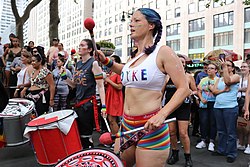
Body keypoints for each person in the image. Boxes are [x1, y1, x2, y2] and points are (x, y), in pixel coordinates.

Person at [95, 8, 190, 167]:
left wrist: (162, 114)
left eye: (137, 21)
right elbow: (125, 71)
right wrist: (106, 61)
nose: (131, 24)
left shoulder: (163, 52)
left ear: (151, 25)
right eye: (131, 21)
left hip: (151, 128)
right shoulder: (133, 57)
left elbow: (184, 88)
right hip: (126, 125)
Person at [62, 39, 106, 149]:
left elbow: (100, 86)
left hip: (88, 105)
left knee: (86, 137)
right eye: (79, 45)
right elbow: (74, 85)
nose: (79, 47)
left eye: (82, 45)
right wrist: (64, 77)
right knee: (79, 136)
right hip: (78, 104)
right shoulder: (78, 64)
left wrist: (104, 106)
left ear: (90, 49)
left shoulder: (94, 63)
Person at [164, 55, 197, 167]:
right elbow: (161, 92)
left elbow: (195, 91)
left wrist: (190, 93)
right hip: (170, 107)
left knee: (183, 133)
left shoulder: (188, 77)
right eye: (179, 62)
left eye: (183, 62)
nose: (181, 64)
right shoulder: (167, 76)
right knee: (172, 132)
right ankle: (174, 154)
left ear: (185, 64)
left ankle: (188, 157)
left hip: (184, 107)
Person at [209, 60, 240, 163]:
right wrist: (222, 91)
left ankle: (231, 153)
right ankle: (222, 150)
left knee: (231, 132)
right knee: (221, 131)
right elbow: (214, 91)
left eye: (228, 66)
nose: (225, 67)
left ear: (233, 68)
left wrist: (224, 68)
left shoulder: (236, 77)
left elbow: (228, 81)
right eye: (225, 66)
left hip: (230, 107)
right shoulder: (219, 79)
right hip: (218, 107)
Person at [195, 62, 219, 152]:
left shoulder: (218, 80)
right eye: (208, 68)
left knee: (213, 122)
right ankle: (203, 140)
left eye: (212, 68)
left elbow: (218, 91)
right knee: (203, 122)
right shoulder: (203, 79)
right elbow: (199, 90)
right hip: (204, 103)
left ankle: (212, 141)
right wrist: (201, 99)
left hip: (214, 103)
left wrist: (210, 88)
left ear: (216, 70)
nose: (209, 70)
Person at [25, 52, 55, 116]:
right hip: (31, 95)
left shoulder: (45, 71)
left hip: (41, 96)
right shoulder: (33, 71)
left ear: (40, 61)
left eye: (34, 61)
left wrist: (51, 99)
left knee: (41, 115)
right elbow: (32, 83)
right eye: (31, 61)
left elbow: (52, 85)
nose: (32, 63)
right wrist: (23, 87)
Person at [104, 55, 123, 134]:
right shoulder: (111, 73)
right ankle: (114, 138)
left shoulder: (118, 73)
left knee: (112, 120)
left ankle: (117, 139)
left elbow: (119, 87)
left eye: (112, 61)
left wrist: (109, 81)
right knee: (110, 119)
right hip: (109, 97)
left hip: (115, 98)